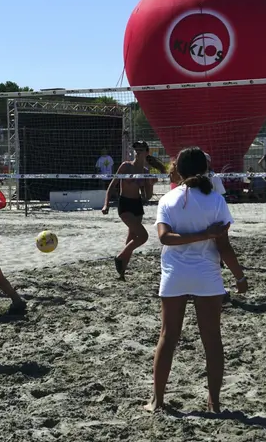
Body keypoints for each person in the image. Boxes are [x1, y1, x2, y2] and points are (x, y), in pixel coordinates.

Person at [145, 146, 248, 413]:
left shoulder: (168, 199)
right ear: (205, 169)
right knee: (212, 339)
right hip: (207, 276)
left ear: (177, 169)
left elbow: (165, 238)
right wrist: (239, 276)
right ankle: (214, 403)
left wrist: (202, 235)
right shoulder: (215, 200)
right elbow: (224, 246)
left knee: (167, 337)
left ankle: (157, 400)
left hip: (175, 275)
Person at [102, 141, 166, 279]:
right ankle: (119, 257)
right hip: (125, 204)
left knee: (131, 240)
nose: (137, 151)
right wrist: (106, 204)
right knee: (143, 236)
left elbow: (147, 197)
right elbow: (112, 185)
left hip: (137, 205)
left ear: (147, 152)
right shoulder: (126, 166)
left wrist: (150, 183)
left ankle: (122, 273)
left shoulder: (146, 172)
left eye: (141, 149)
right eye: (136, 149)